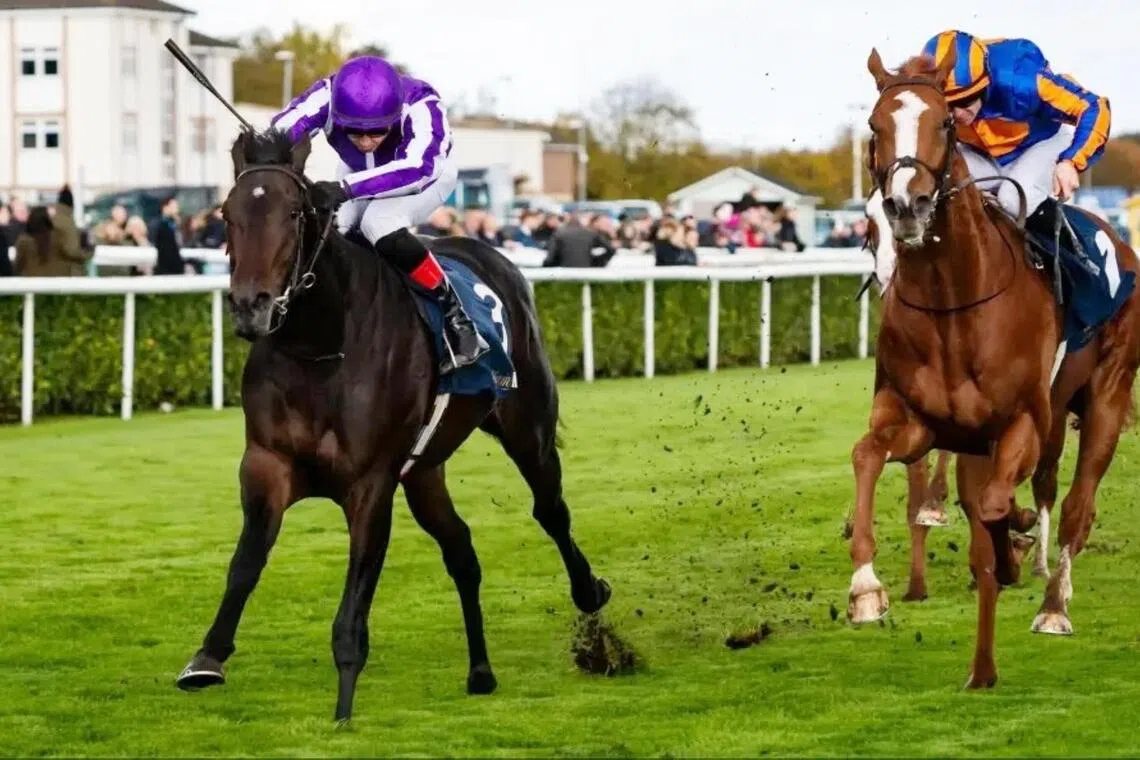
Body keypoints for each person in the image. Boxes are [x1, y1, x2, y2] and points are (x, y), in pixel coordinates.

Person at [271, 55, 486, 374]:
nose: (366, 142)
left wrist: (344, 188)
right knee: (333, 230)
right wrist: (267, 144)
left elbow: (417, 168)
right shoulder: (327, 95)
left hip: (423, 179)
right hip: (356, 174)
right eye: (354, 133)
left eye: (376, 133)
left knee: (378, 223)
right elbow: (282, 128)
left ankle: (457, 317)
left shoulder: (422, 103)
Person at [920, 31, 1110, 246]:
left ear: (985, 83)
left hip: (1040, 144)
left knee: (1012, 199)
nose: (958, 115)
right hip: (983, 153)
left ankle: (1076, 253)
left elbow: (1094, 107)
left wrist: (1070, 162)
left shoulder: (1022, 80)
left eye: (966, 101)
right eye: (947, 106)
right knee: (932, 186)